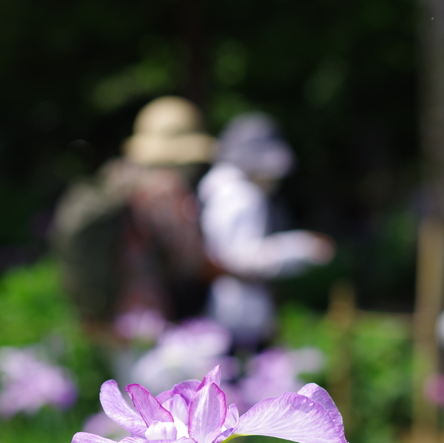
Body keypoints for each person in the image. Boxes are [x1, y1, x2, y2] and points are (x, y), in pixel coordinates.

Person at [52, 96, 215, 339]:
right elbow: (187, 257)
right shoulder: (168, 188)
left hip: (109, 311)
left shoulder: (117, 176)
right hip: (147, 313)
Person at [198, 113, 334, 347]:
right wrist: (303, 249)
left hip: (216, 310)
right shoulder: (243, 195)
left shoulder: (214, 189)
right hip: (239, 315)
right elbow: (242, 258)